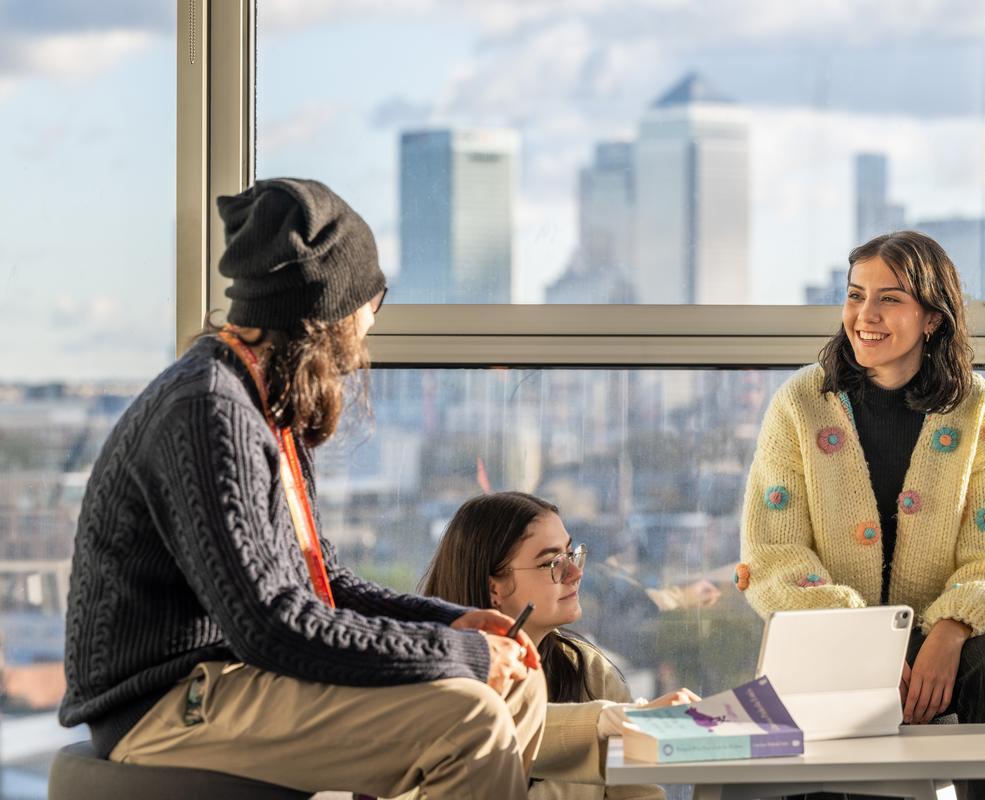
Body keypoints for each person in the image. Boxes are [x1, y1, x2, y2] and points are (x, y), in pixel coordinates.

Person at [59, 178, 546, 800]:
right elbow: (272, 626)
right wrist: (463, 655)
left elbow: (328, 587)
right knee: (470, 721)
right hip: (170, 701)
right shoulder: (210, 410)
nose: (371, 324)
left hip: (231, 678)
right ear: (329, 312)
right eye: (372, 301)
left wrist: (458, 623)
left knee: (518, 685)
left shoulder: (261, 406)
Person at [738, 231, 985, 800]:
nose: (865, 315)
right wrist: (860, 641)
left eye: (890, 298)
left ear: (932, 317)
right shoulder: (799, 405)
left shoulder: (979, 411)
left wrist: (952, 629)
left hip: (936, 648)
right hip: (828, 635)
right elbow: (774, 554)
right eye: (855, 295)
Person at [422, 492, 699, 800]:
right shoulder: (426, 684)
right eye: (551, 562)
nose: (575, 573)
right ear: (494, 587)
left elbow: (640, 795)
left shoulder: (588, 670)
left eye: (571, 554)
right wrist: (618, 721)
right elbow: (483, 736)